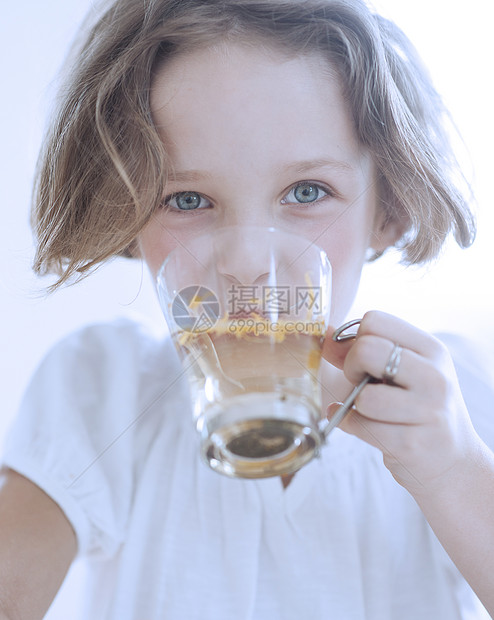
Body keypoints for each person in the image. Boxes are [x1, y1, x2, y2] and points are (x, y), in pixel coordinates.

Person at [1, 0, 493, 618]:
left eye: (306, 193)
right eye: (186, 199)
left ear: (387, 210)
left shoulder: (461, 403)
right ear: (124, 213)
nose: (245, 261)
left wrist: (452, 471)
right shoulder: (104, 391)